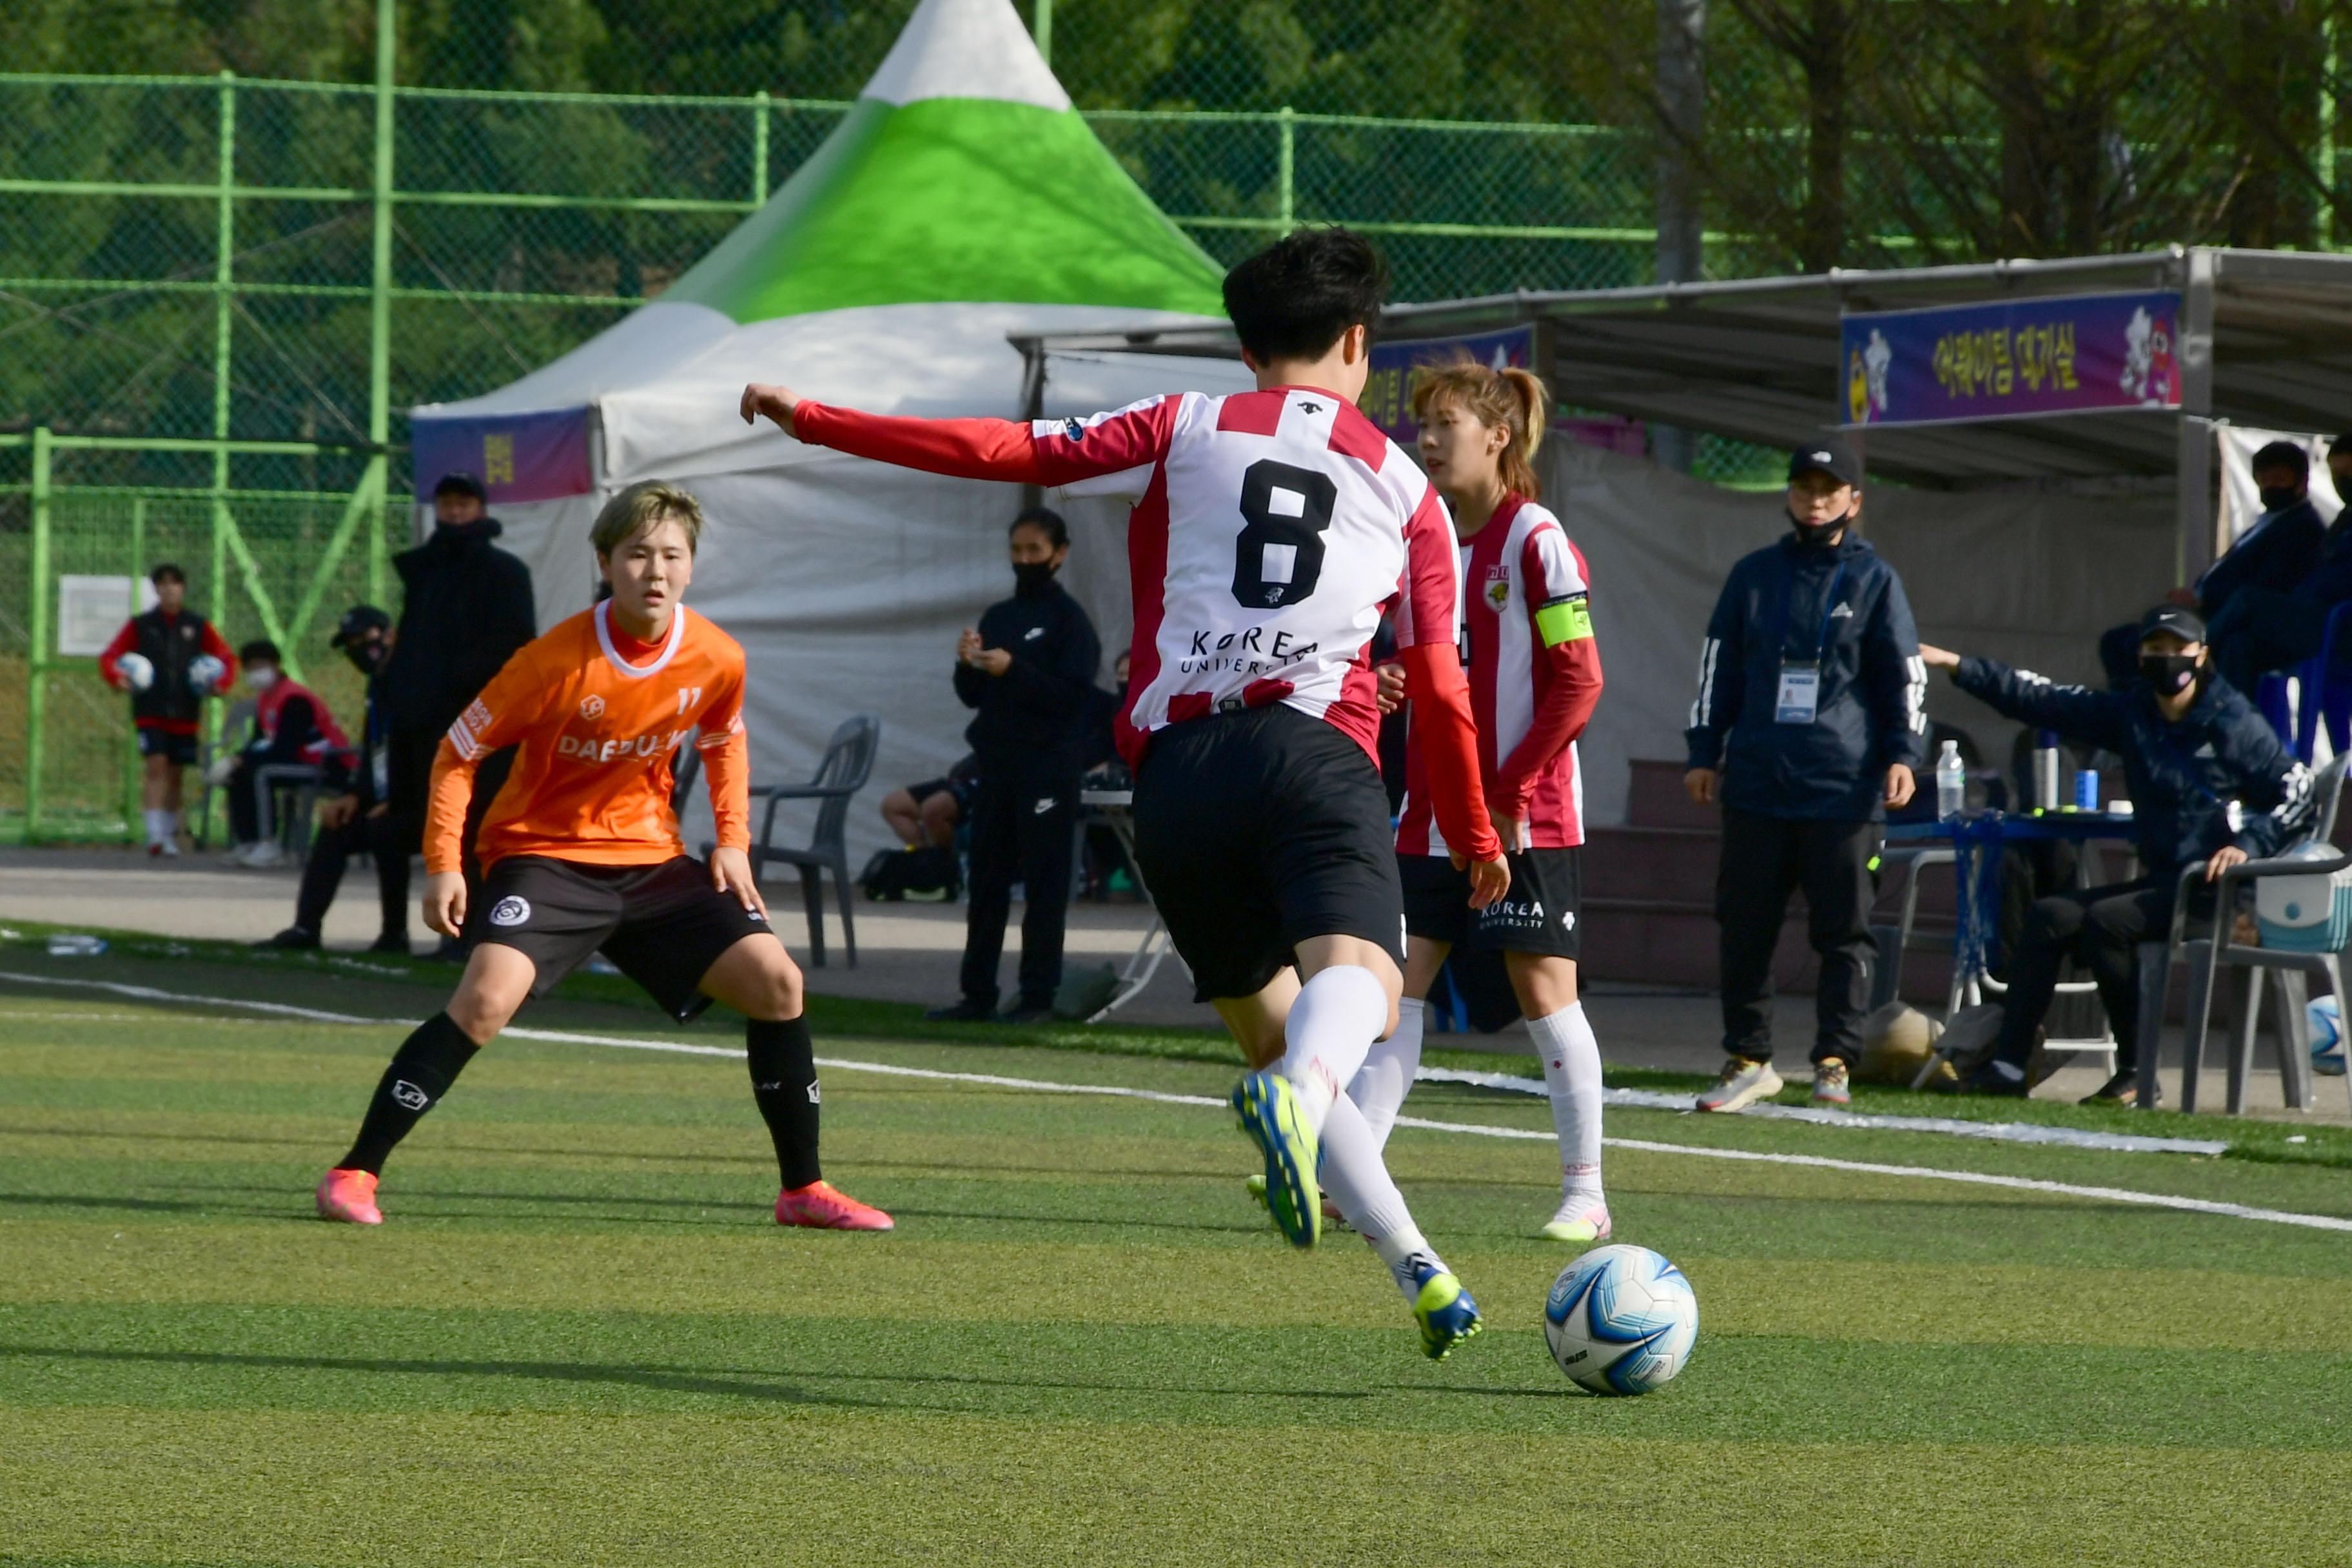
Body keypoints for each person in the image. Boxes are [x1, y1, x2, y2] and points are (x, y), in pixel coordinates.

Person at [741, 225, 1509, 1359]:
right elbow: (1440, 683)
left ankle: (1421, 1272)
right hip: (1312, 750)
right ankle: (1300, 1107)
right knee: (1365, 994)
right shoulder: (1407, 489)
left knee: (1277, 1042)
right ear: (1358, 341)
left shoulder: (1180, 422)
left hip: (1178, 781)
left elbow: (995, 447)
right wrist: (1471, 827)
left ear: (1247, 349)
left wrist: (819, 419)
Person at [313, 481, 892, 1232]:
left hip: (652, 862)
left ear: (691, 567)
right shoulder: (552, 661)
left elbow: (723, 741)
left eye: (672, 555)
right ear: (606, 562)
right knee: (486, 999)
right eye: (638, 553)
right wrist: (446, 862)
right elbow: (459, 751)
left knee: (780, 984)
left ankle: (804, 1190)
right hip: (542, 857)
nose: (655, 570)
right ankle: (355, 1171)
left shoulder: (717, 655)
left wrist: (735, 844)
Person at [1353, 355, 1610, 1244]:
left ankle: (1587, 1192)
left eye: (1444, 426)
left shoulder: (1536, 538)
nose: (1424, 440)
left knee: (1543, 995)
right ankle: (1354, 1178)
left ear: (1498, 437)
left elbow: (1580, 682)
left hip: (1523, 818)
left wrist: (1510, 794)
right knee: (1393, 992)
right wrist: (1389, 679)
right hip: (1430, 815)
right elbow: (1423, 664)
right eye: (1421, 425)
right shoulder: (1418, 545)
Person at [1919, 605, 2315, 1103]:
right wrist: (1958, 666)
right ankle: (2007, 1065)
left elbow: (2298, 790)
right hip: (2165, 881)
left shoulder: (2232, 719)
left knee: (2109, 921)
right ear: (2140, 656)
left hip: (2216, 891)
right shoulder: (2134, 713)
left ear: (2202, 655)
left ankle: (2136, 1071)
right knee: (2048, 916)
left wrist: (2246, 847)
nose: (2167, 661)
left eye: (2178, 650)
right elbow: (2044, 699)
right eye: (2156, 651)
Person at [1685, 436, 1926, 1112]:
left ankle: (1834, 1060)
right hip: (1758, 780)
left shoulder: (1876, 581)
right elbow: (1718, 668)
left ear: (1854, 499)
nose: (1814, 500)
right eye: (1803, 487)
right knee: (1745, 923)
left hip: (1842, 787)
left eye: (1829, 489)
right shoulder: (1754, 575)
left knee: (1844, 931)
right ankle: (1749, 1056)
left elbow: (1901, 677)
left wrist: (1904, 754)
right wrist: (1704, 752)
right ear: (1788, 493)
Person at [923, 509, 1102, 1024]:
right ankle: (976, 994)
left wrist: (1015, 670)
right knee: (986, 882)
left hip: (1048, 769)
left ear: (1059, 554)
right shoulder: (999, 616)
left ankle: (1037, 995)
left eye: (1034, 552)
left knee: (1045, 886)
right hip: (997, 766)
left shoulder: (1070, 621)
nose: (1024, 561)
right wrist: (967, 663)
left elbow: (1074, 698)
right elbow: (973, 697)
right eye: (1017, 551)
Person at [378, 471, 537, 955]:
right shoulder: (424, 570)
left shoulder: (505, 572)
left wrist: (451, 676)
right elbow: (410, 642)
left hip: (477, 722)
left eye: (464, 502)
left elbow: (514, 644)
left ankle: (466, 934)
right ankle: (394, 931)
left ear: (481, 509)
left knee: (469, 828)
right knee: (404, 822)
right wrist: (402, 686)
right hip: (416, 722)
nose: (454, 511)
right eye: (446, 502)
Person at [2103, 440, 2325, 689]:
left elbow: (2269, 585)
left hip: (2232, 619)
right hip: (2211, 613)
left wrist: (2204, 600)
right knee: (2119, 641)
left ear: (2301, 482)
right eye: (2263, 480)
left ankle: (2192, 652)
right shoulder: (2264, 524)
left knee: (2230, 645)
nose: (2270, 486)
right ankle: (2135, 713)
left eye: (2279, 479)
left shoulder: (2303, 528)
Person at [262, 605, 412, 953]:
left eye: (365, 638)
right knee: (335, 827)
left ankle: (395, 933)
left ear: (388, 635)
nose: (358, 648)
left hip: (421, 798)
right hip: (386, 795)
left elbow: (423, 748)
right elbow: (375, 749)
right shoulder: (377, 686)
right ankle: (305, 927)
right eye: (352, 643)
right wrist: (355, 794)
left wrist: (400, 798)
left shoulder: (411, 683)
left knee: (386, 831)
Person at [97, 563, 235, 856]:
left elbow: (225, 656)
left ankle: (170, 833)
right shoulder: (141, 625)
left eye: (175, 583)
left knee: (175, 774)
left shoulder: (197, 625)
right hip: (151, 709)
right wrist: (116, 677)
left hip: (185, 711)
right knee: (156, 766)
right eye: (162, 584)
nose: (169, 589)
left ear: (183, 589)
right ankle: (154, 835)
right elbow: (111, 655)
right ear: (156, 589)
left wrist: (221, 683)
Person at [2204, 442, 2352, 696]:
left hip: (2338, 624)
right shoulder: (2344, 520)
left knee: (2247, 600)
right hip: (2314, 617)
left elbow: (2337, 578)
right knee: (2238, 646)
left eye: (2349, 473)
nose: (2343, 481)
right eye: (2337, 474)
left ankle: (2190, 650)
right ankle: (2234, 728)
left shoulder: (2304, 528)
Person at [208, 640, 351, 868]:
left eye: (261, 666)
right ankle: (249, 841)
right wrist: (235, 760)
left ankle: (269, 843)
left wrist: (242, 760)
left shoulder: (295, 698)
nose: (256, 673)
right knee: (239, 773)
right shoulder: (265, 700)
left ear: (276, 665)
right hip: (299, 762)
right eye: (251, 668)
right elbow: (259, 742)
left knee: (262, 773)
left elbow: (285, 749)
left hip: (326, 765)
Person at [879, 754, 979, 850]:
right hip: (960, 780)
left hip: (979, 787)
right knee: (894, 806)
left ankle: (945, 862)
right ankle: (918, 853)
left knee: (934, 810)